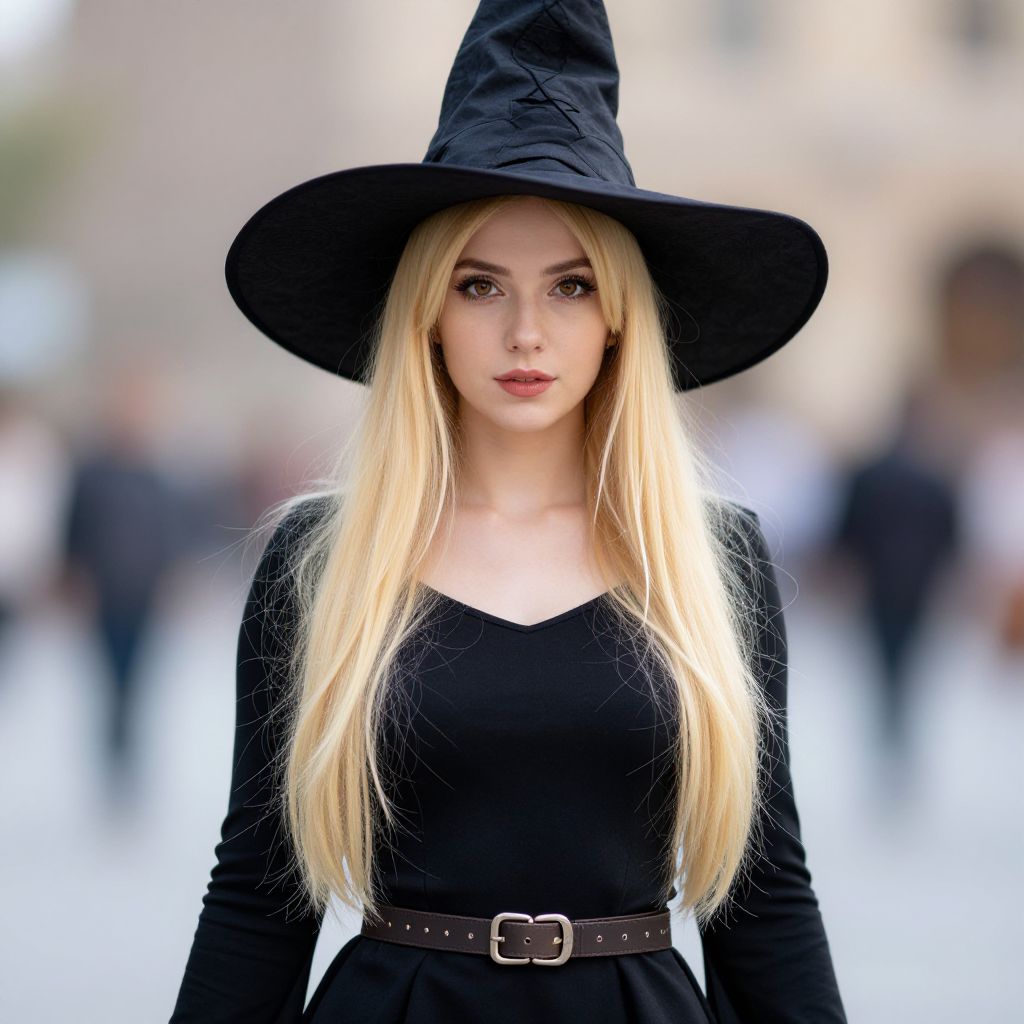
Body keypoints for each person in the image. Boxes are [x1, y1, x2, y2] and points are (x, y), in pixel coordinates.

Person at [171, 2, 846, 1021]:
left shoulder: (715, 560)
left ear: (619, 317)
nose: (527, 331)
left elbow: (764, 898)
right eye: (481, 285)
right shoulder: (325, 556)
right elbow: (260, 894)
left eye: (570, 285)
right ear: (427, 316)